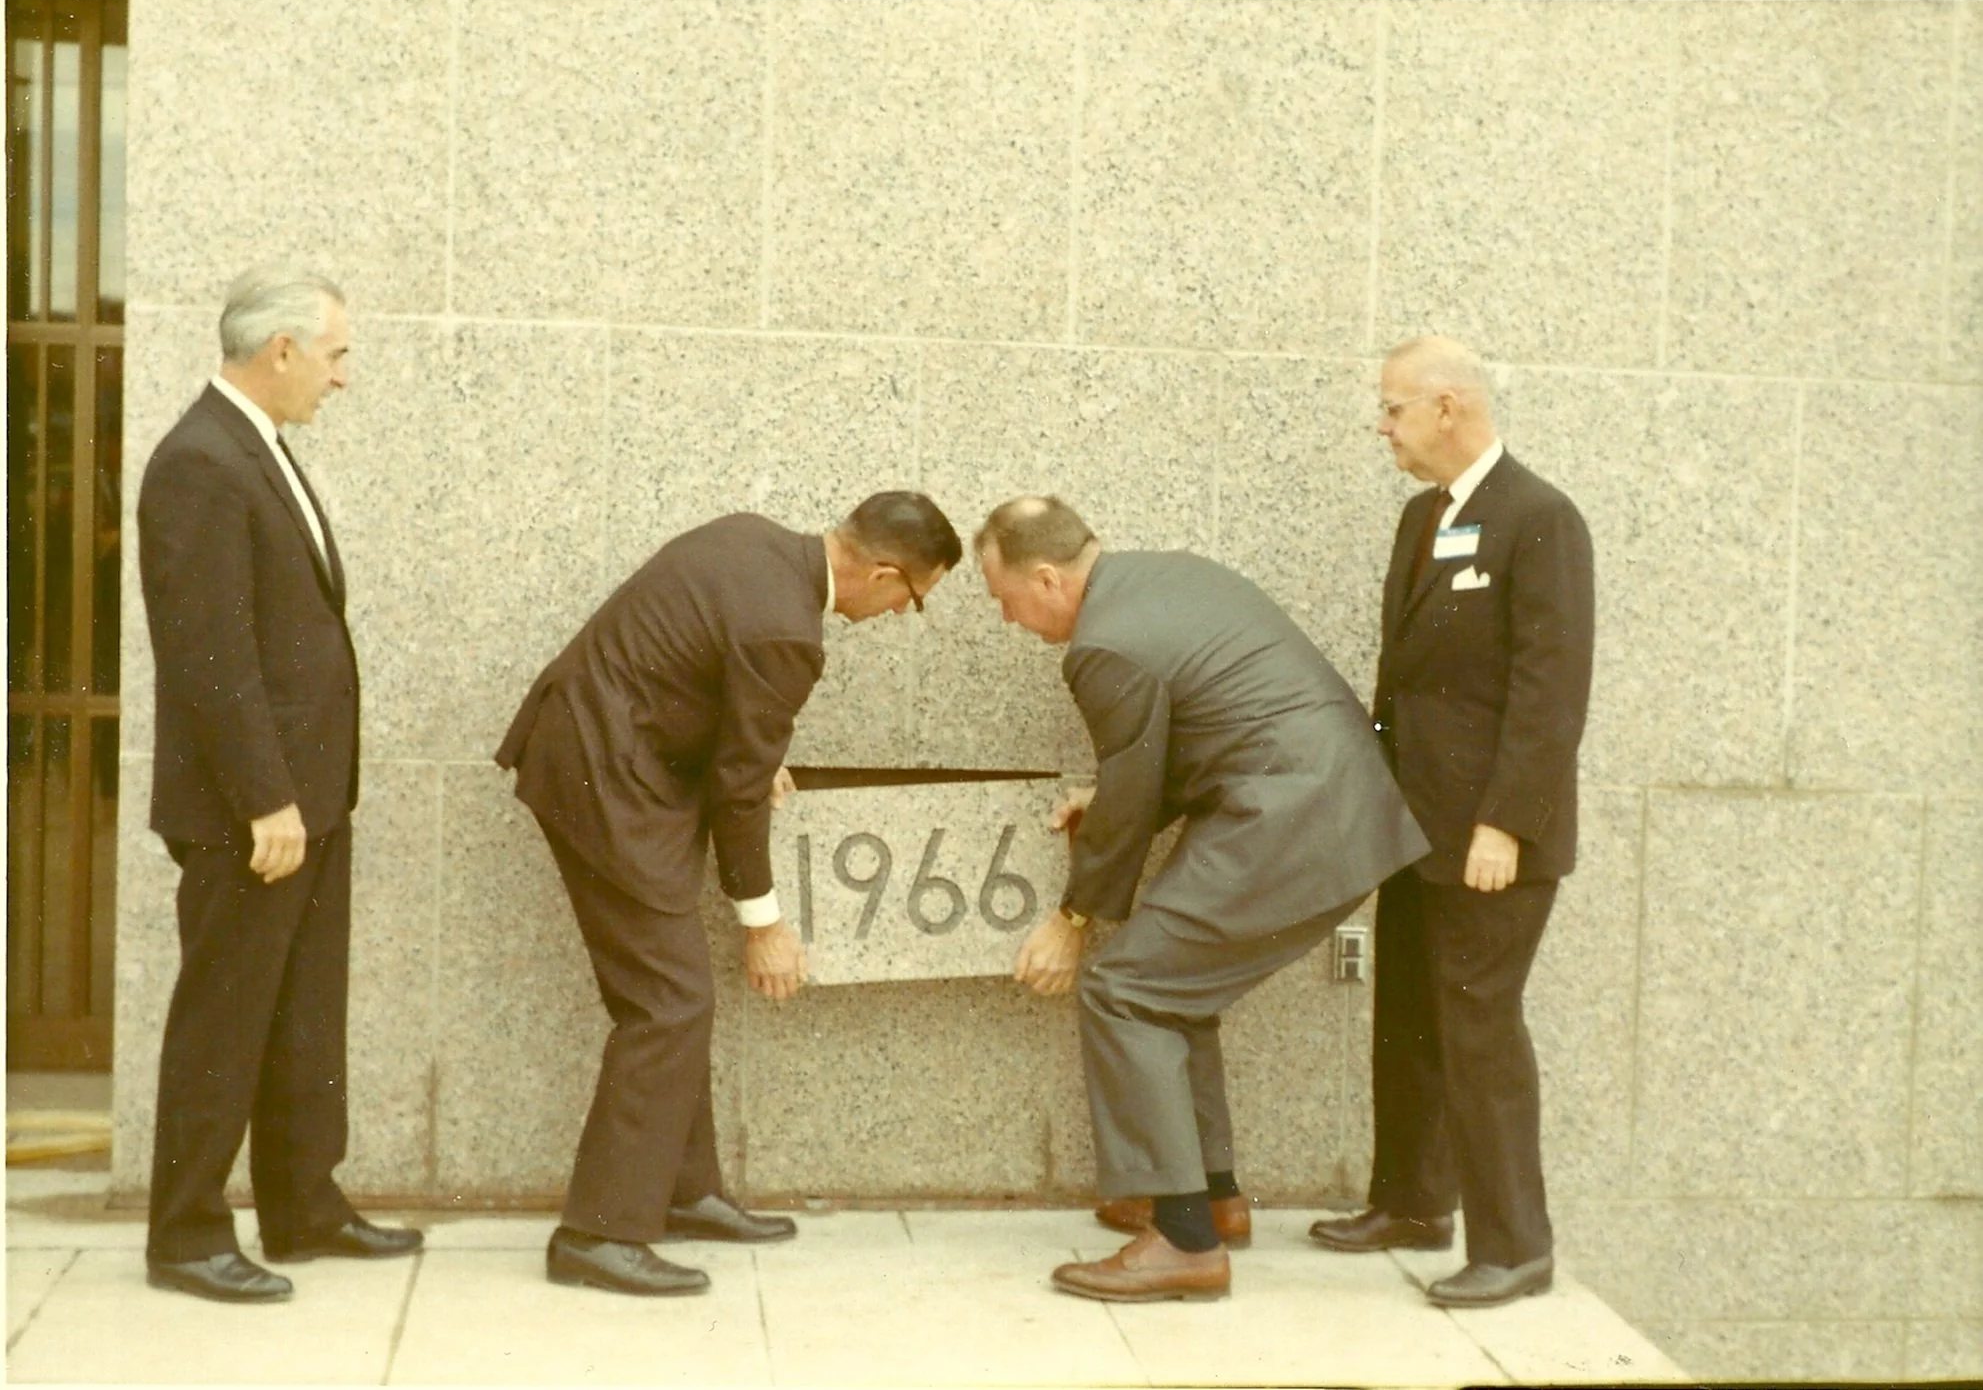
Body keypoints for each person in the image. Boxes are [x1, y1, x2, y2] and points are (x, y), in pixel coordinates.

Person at [495, 493, 962, 1296]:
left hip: (601, 754)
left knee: (676, 995)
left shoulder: (754, 540)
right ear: (884, 572)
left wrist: (746, 758)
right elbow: (740, 791)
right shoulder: (788, 629)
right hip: (606, 779)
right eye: (911, 599)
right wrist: (764, 922)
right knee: (668, 1002)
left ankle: (682, 1188)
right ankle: (597, 1233)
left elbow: (694, 676)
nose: (897, 613)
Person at [978, 497, 1427, 1302]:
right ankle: (1211, 1197)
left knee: (1127, 991)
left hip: (1291, 812)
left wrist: (1069, 920)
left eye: (1003, 598)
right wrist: (1110, 801)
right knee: (1171, 991)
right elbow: (1168, 751)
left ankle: (1182, 1238)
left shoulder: (1102, 644)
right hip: (1326, 801)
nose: (1009, 619)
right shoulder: (1170, 576)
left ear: (1045, 577)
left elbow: (1136, 772)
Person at [137, 265, 422, 1304]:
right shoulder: (201, 462)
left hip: (308, 800)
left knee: (304, 1011)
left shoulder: (253, 451)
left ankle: (303, 1204)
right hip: (253, 812)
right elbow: (210, 653)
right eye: (337, 355)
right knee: (225, 1015)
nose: (343, 379)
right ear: (283, 350)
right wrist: (265, 799)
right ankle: (187, 1236)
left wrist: (306, 795)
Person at [1310, 336, 1594, 1309]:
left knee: (1479, 1029)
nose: (1380, 427)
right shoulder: (1421, 519)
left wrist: (1505, 825)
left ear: (1447, 407)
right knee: (1408, 1020)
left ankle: (1516, 1245)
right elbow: (1402, 685)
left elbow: (1549, 694)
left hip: (1490, 841)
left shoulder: (1540, 518)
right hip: (1414, 825)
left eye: (1391, 408)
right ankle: (1413, 1201)